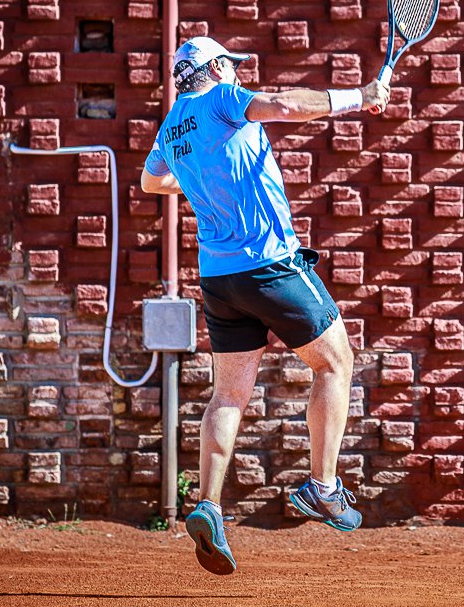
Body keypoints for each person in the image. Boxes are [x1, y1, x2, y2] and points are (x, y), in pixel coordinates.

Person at [141, 36, 390, 575]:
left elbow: (151, 180)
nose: (236, 73)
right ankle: (323, 487)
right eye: (230, 65)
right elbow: (283, 104)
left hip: (218, 278)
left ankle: (208, 503)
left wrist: (204, 176)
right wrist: (360, 95)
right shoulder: (222, 99)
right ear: (214, 69)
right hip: (268, 264)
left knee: (228, 392)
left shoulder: (172, 126)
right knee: (335, 363)